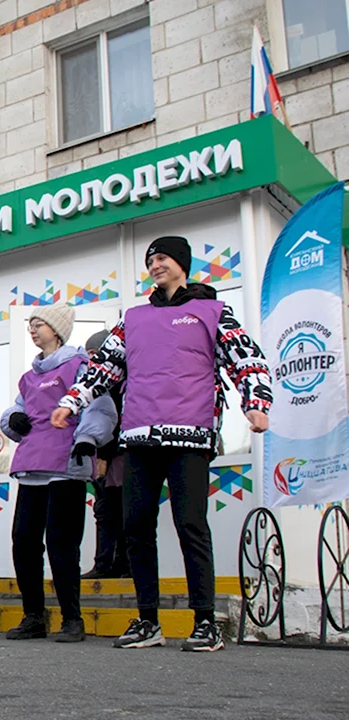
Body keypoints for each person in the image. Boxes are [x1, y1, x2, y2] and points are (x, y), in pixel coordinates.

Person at [53, 235, 272, 652]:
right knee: (136, 527)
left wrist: (256, 404)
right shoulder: (133, 318)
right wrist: (71, 402)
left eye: (164, 258)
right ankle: (148, 619)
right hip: (138, 437)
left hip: (190, 435)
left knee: (191, 525)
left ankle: (204, 621)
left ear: (183, 264)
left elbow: (246, 358)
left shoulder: (212, 311)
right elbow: (104, 366)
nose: (156, 265)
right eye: (151, 259)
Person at [1, 306, 117, 644]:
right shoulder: (29, 376)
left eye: (39, 325)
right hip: (31, 466)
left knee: (62, 544)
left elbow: (99, 406)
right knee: (24, 542)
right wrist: (13, 419)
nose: (33, 331)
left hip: (65, 466)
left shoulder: (79, 366)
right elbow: (18, 408)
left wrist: (87, 438)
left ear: (57, 329)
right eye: (31, 326)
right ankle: (33, 616)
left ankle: (72, 618)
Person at [81, 329, 129, 580]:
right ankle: (108, 563)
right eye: (88, 355)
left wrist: (105, 455)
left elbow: (116, 421)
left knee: (115, 510)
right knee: (107, 510)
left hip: (118, 457)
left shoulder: (120, 383)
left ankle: (114, 564)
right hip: (105, 457)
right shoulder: (96, 385)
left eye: (95, 354)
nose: (92, 361)